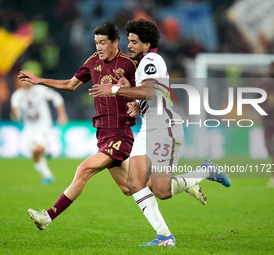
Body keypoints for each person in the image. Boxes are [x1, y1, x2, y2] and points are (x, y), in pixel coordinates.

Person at [18, 21, 205, 232]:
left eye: (103, 43)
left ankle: (47, 217)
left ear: (115, 43)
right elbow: (70, 85)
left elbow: (144, 90)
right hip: (103, 135)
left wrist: (133, 101)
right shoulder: (92, 62)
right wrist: (39, 80)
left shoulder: (130, 63)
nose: (98, 48)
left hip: (120, 134)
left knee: (84, 169)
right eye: (96, 43)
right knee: (130, 187)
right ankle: (186, 182)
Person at [89, 19, 231, 247]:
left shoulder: (152, 60)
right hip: (149, 129)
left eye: (134, 42)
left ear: (147, 44)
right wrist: (134, 100)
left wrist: (114, 88)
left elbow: (151, 91)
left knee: (161, 191)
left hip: (165, 129)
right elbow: (147, 94)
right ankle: (164, 236)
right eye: (129, 41)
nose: (130, 46)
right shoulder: (144, 63)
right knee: (134, 183)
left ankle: (206, 171)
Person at [11, 73, 68, 185]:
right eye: (22, 79)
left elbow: (57, 98)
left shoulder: (40, 90)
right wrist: (14, 113)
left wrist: (62, 114)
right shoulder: (17, 96)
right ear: (18, 81)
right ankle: (47, 175)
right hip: (29, 128)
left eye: (27, 78)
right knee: (34, 153)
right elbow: (15, 117)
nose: (25, 81)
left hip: (43, 124)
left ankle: (46, 150)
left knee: (37, 149)